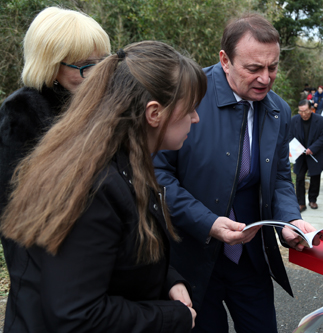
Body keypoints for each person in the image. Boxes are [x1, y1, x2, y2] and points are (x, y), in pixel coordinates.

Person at [0, 40, 206, 332]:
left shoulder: (125, 159)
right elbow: (78, 313)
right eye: (191, 109)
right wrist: (171, 318)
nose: (196, 119)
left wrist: (168, 280)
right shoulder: (94, 187)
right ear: (154, 113)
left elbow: (115, 255)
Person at [153, 13, 317, 333]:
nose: (266, 79)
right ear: (225, 60)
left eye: (273, 67)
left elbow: (281, 177)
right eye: (253, 68)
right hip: (192, 257)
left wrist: (290, 220)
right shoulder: (187, 96)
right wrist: (207, 222)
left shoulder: (277, 110)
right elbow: (157, 176)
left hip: (250, 256)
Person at [0, 7, 111, 293]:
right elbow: (16, 212)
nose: (96, 75)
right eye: (85, 65)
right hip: (50, 276)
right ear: (50, 64)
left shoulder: (95, 105)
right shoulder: (21, 113)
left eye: (102, 63)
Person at [289, 100, 323, 211]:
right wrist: (298, 147)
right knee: (299, 177)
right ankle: (301, 202)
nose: (303, 114)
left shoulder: (321, 121)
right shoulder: (294, 120)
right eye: (300, 111)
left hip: (314, 153)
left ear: (311, 109)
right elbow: (289, 135)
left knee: (315, 177)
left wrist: (312, 148)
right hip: (299, 154)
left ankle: (313, 200)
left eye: (305, 111)